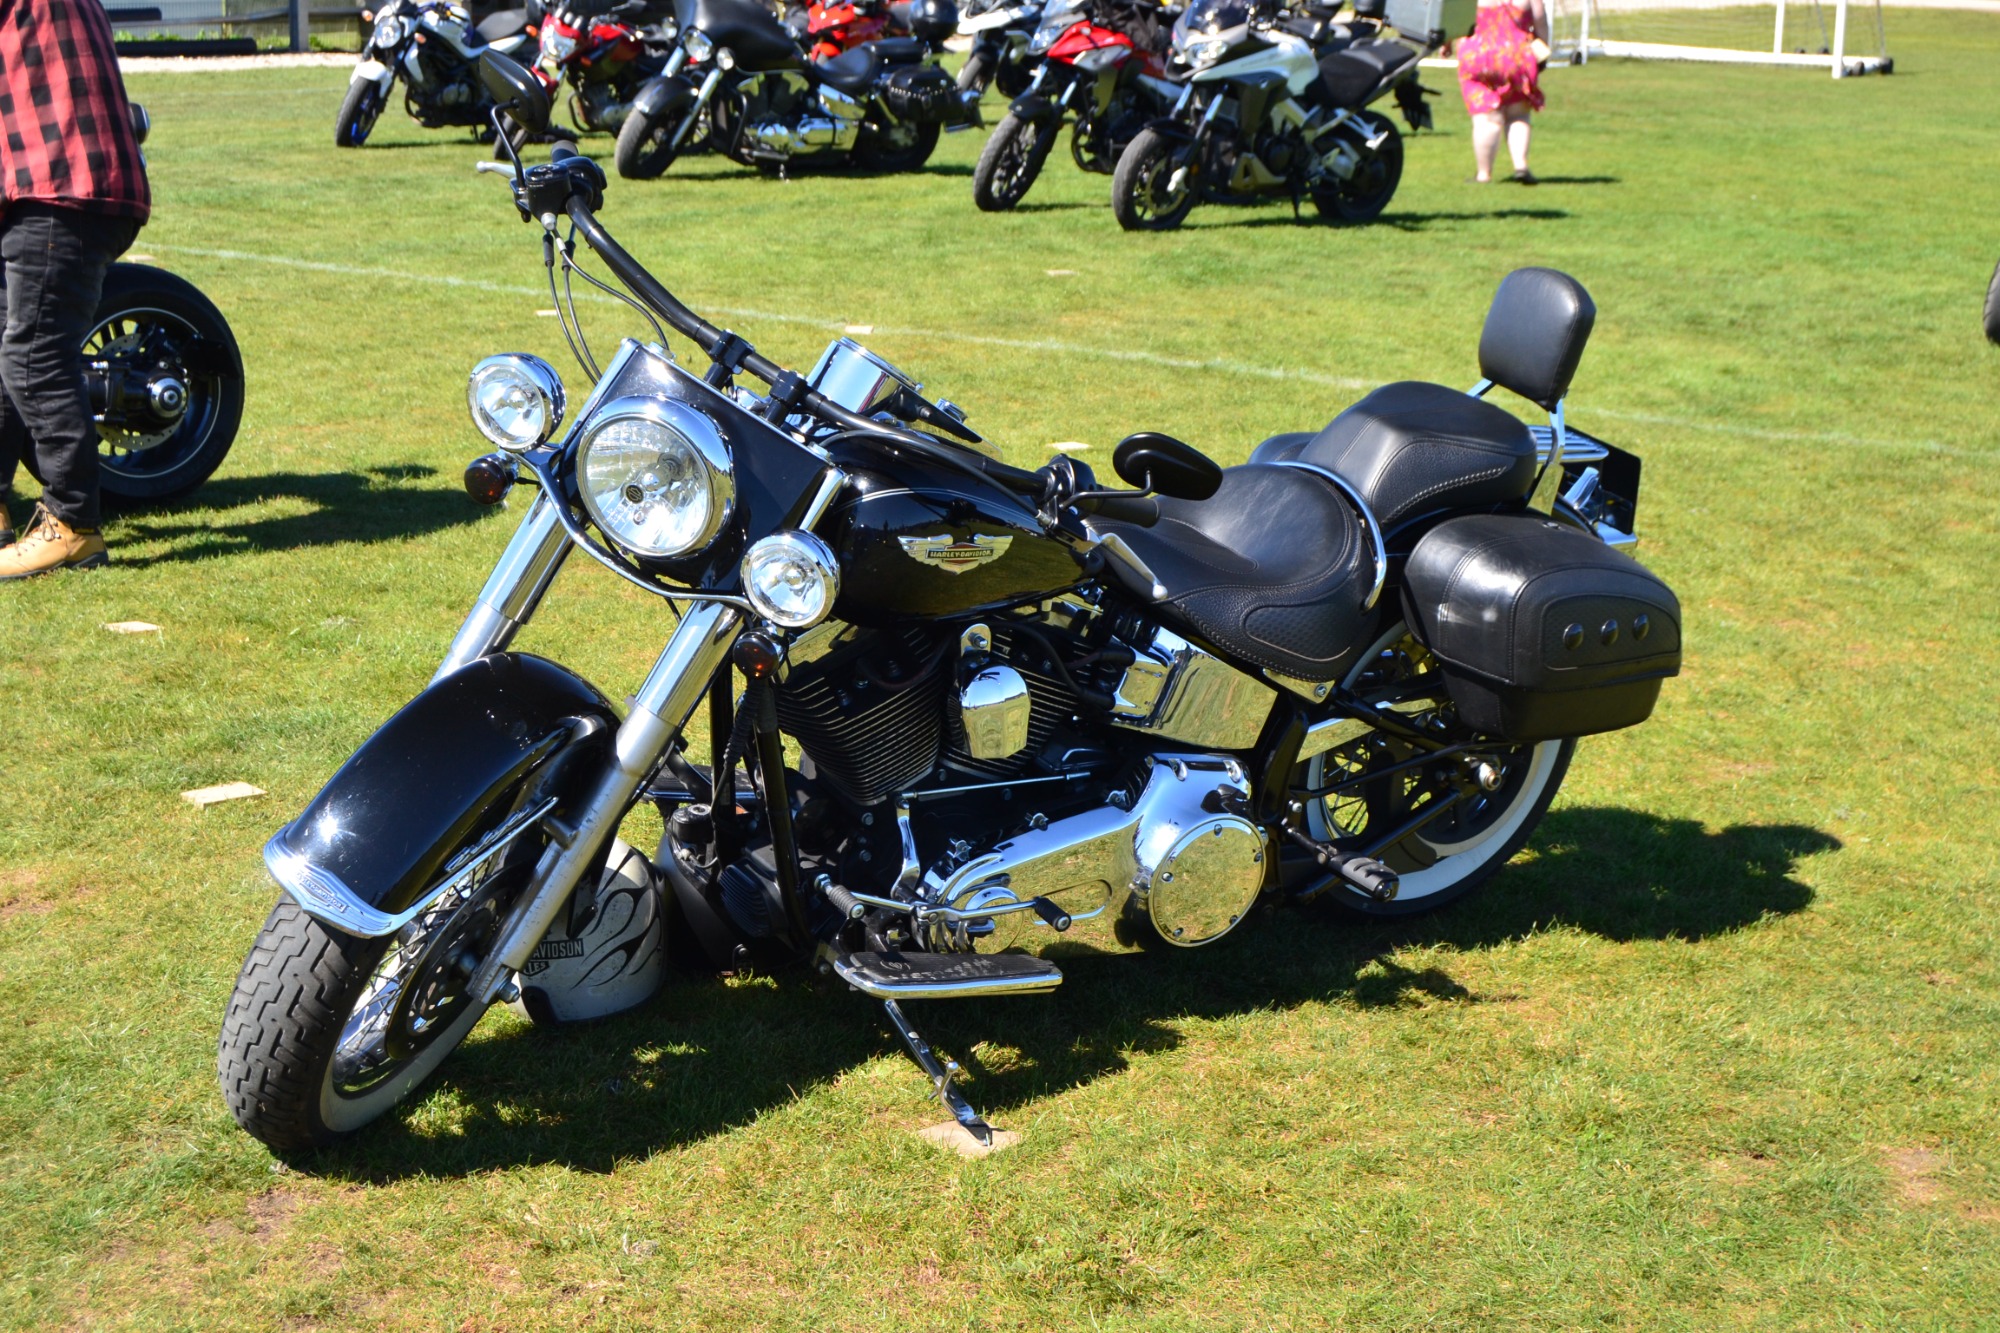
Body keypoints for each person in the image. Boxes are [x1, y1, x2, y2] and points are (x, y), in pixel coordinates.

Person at [0, 0, 150, 580]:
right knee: (8, 347)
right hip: (59, 183)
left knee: (33, 357)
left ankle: (72, 526)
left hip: (59, 187)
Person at [1455, 0, 1550, 185]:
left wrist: (1446, 44)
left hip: (1477, 55)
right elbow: (1540, 19)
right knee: (1518, 115)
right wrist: (1544, 46)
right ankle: (1520, 165)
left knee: (1486, 119)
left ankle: (1484, 174)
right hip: (1516, 55)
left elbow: (1455, 17)